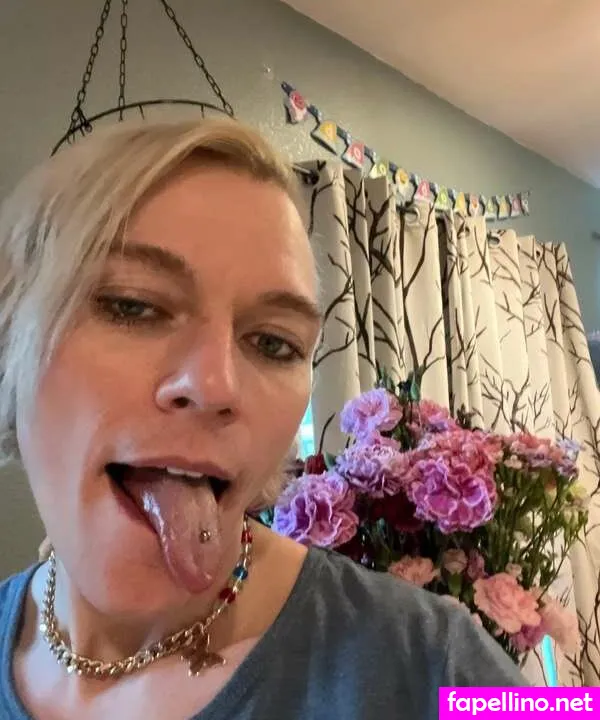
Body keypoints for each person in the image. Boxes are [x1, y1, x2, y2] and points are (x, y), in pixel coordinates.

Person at [0, 117, 525, 720]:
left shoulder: (440, 661)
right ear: (11, 335)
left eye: (274, 342)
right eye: (134, 305)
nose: (216, 385)